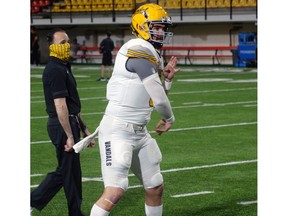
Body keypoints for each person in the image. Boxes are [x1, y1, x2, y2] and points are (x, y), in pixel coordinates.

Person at [90, 3, 179, 216]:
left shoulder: (151, 53)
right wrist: (169, 118)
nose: (161, 32)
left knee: (155, 186)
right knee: (115, 191)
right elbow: (158, 101)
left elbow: (154, 96)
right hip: (118, 129)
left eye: (162, 28)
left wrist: (166, 82)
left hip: (139, 130)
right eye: (155, 27)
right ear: (141, 25)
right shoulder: (138, 50)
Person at [30, 28, 95, 216]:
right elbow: (60, 105)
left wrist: (84, 129)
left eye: (68, 42)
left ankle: (75, 212)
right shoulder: (55, 69)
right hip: (61, 125)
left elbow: (71, 104)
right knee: (65, 171)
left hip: (69, 123)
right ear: (52, 47)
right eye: (62, 43)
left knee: (71, 172)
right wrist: (69, 135)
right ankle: (31, 201)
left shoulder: (64, 67)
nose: (67, 46)